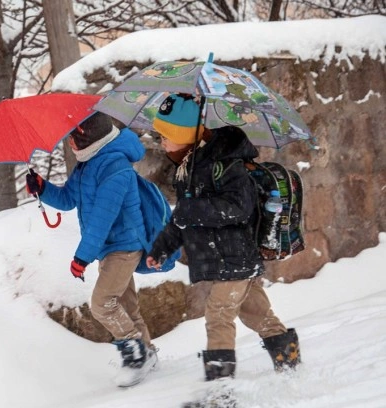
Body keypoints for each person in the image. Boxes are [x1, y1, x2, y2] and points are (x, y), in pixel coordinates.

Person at [144, 94, 301, 381]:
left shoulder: (225, 164)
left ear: (184, 134)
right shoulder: (186, 169)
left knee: (218, 316)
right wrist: (162, 248)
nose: (161, 142)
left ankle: (219, 390)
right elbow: (183, 218)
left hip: (235, 254)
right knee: (255, 313)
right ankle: (289, 363)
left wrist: (194, 207)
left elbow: (239, 208)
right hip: (222, 257)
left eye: (166, 135)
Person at [25, 112, 157, 387]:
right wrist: (43, 188)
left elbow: (101, 218)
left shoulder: (115, 167)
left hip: (124, 245)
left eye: (74, 138)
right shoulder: (88, 164)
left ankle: (135, 355)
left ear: (91, 138)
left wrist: (82, 257)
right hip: (109, 248)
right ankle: (148, 353)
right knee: (125, 304)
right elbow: (68, 199)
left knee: (102, 304)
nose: (70, 144)